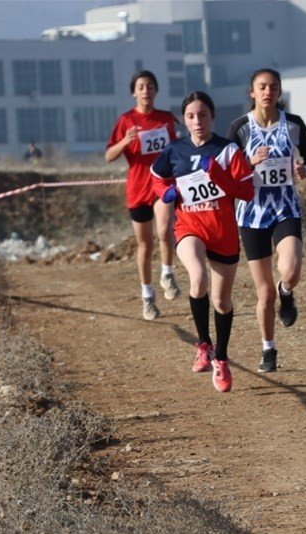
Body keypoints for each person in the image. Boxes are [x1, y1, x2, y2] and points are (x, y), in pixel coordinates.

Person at [152, 92, 255, 392]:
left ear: (213, 117)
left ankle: (221, 358)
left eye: (203, 115)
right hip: (189, 226)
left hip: (222, 232)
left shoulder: (228, 150)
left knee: (222, 302)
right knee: (198, 278)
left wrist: (219, 176)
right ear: (184, 119)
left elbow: (246, 192)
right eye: (191, 116)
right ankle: (203, 344)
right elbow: (156, 176)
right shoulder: (175, 150)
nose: (197, 122)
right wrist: (165, 193)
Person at [228, 68, 306, 374]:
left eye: (273, 87)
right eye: (262, 87)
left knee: (291, 270)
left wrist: (305, 169)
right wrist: (248, 163)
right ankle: (268, 349)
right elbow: (226, 170)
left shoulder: (293, 124)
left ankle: (288, 292)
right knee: (263, 293)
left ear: (280, 92)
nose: (268, 92)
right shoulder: (239, 128)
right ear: (252, 92)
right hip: (251, 214)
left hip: (285, 208)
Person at [105, 70, 181, 321]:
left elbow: (176, 148)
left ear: (156, 91)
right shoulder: (126, 120)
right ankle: (148, 296)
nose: (146, 90)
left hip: (161, 184)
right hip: (138, 188)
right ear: (133, 92)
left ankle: (167, 273)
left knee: (165, 229)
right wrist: (125, 141)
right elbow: (108, 155)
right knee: (145, 244)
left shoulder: (166, 118)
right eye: (141, 86)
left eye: (150, 86)